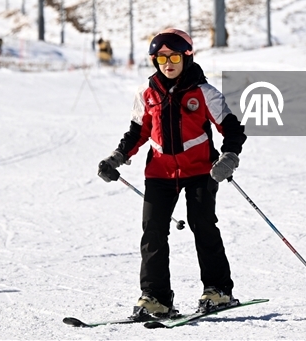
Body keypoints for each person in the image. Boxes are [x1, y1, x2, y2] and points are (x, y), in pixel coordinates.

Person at [97, 28, 246, 319]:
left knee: (202, 224)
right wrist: (117, 156)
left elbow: (231, 129)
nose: (168, 63)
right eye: (161, 58)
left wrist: (229, 156)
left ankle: (218, 290)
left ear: (186, 57)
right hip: (160, 172)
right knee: (152, 232)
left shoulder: (204, 93)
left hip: (202, 170)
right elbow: (137, 132)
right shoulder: (147, 93)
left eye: (174, 56)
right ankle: (156, 298)